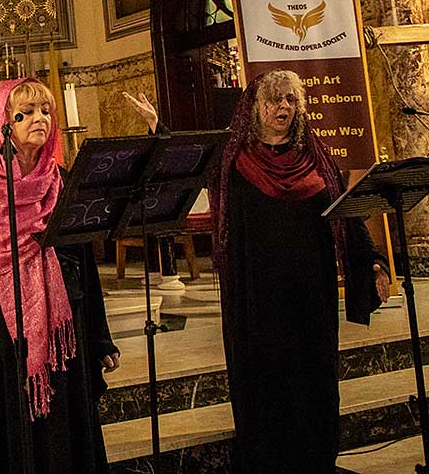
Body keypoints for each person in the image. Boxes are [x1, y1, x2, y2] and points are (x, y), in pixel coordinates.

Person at [125, 72, 390, 473]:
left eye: (291, 100)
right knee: (265, 380)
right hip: (256, 295)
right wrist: (157, 127)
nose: (284, 107)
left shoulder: (315, 156)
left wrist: (372, 260)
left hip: (311, 293)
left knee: (314, 377)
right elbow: (187, 161)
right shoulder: (234, 159)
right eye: (274, 100)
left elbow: (346, 213)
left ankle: (316, 460)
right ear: (254, 107)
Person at [0, 78, 120, 474]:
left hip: (61, 328)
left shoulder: (61, 180)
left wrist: (98, 337)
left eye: (46, 111)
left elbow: (84, 262)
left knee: (63, 432)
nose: (40, 119)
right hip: (0, 331)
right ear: (3, 123)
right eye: (27, 112)